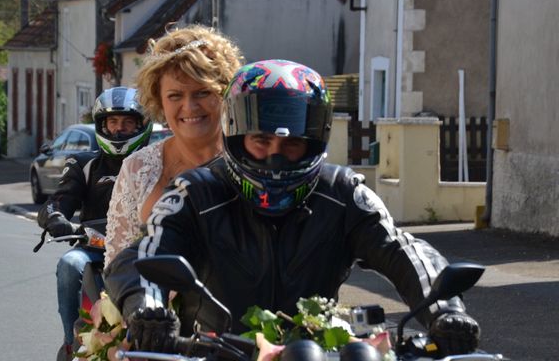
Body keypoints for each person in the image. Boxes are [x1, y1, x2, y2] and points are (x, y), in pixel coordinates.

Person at [104, 59, 481, 358]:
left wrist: (445, 311)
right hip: (214, 351)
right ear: (237, 135)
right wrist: (147, 306)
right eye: (261, 140)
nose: (274, 156)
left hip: (319, 349)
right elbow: (144, 255)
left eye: (292, 144)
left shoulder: (343, 192)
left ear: (315, 140)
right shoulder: (196, 192)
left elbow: (402, 250)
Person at [104, 25, 243, 266]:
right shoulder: (138, 170)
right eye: (175, 96)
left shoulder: (250, 162)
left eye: (202, 92)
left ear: (224, 93)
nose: (189, 107)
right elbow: (118, 266)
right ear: (159, 100)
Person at [37, 87, 152, 361]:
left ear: (141, 125)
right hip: (93, 248)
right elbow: (59, 201)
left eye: (127, 123)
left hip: (145, 250)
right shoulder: (84, 164)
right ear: (102, 125)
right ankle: (71, 343)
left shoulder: (155, 162)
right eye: (112, 123)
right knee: (69, 264)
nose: (119, 130)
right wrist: (55, 218)